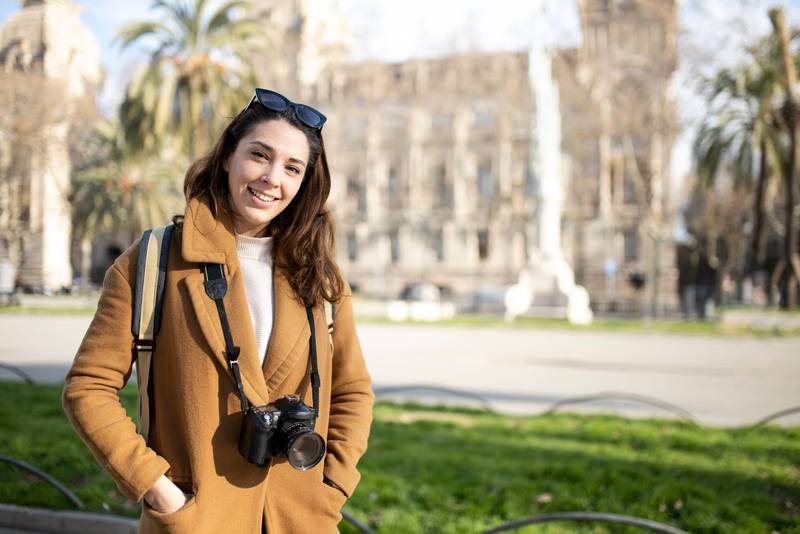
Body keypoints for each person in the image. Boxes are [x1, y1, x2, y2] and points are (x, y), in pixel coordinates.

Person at [62, 88, 375, 534]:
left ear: (305, 182)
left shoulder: (319, 275)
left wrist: (335, 484)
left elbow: (353, 391)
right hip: (197, 518)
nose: (271, 178)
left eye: (292, 167)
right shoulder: (153, 259)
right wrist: (157, 488)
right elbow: (88, 388)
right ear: (228, 156)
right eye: (259, 155)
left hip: (303, 519)